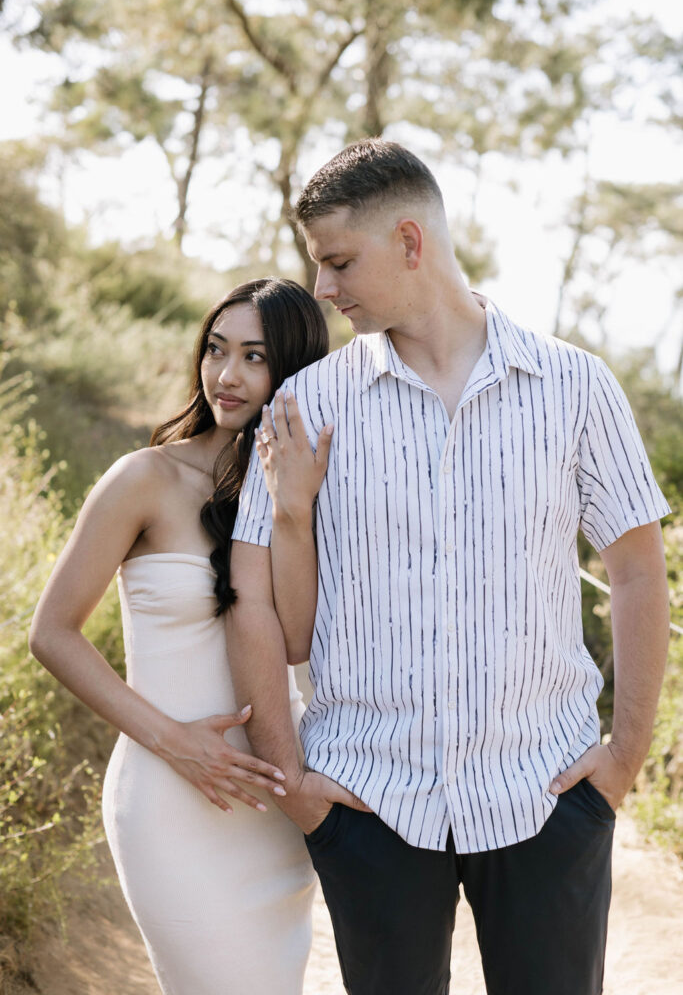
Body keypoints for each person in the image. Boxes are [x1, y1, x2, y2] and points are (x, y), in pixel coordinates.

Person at [226, 141, 672, 995]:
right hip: (365, 804)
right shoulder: (306, 405)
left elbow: (638, 575)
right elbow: (255, 603)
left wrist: (622, 757)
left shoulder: (577, 387)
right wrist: (293, 785)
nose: (322, 288)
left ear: (410, 240)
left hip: (545, 795)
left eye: (338, 261)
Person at [29, 278, 357, 995]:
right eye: (215, 349)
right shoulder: (143, 478)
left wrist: (296, 510)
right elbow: (52, 634)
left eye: (253, 357)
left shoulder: (316, 492)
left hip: (270, 806)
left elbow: (298, 641)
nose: (226, 375)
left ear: (294, 371)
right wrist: (175, 742)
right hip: (170, 800)